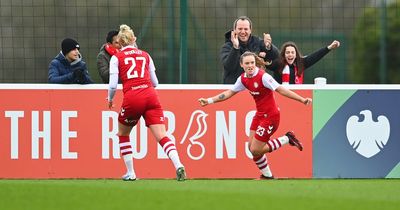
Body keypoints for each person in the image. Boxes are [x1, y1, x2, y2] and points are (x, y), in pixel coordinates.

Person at [199, 51, 312, 179]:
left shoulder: (263, 77)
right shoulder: (243, 79)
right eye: (247, 63)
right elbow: (229, 92)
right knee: (251, 147)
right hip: (259, 115)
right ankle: (267, 176)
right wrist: (209, 101)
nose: (250, 65)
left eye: (252, 63)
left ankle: (287, 138)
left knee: (255, 149)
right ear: (241, 65)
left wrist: (302, 99)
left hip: (271, 116)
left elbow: (280, 89)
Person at [107, 24, 186, 181]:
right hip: (151, 95)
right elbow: (155, 82)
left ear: (120, 42)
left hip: (133, 97)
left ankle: (131, 173)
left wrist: (110, 99)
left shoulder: (117, 58)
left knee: (123, 133)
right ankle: (178, 165)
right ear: (133, 39)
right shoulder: (145, 55)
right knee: (162, 135)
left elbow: (113, 85)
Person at [220, 16, 280, 84]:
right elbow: (229, 67)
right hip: (234, 88)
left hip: (255, 88)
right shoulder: (227, 47)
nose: (243, 32)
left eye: (246, 29)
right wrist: (235, 47)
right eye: (240, 29)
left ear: (250, 30)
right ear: (234, 30)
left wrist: (269, 47)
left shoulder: (257, 42)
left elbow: (276, 56)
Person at [266, 40, 340, 84]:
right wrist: (267, 49)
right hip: (280, 97)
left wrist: (329, 48)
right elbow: (267, 63)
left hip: (298, 97)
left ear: (296, 54)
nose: (290, 54)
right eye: (287, 52)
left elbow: (315, 56)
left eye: (292, 52)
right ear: (284, 54)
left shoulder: (301, 63)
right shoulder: (278, 64)